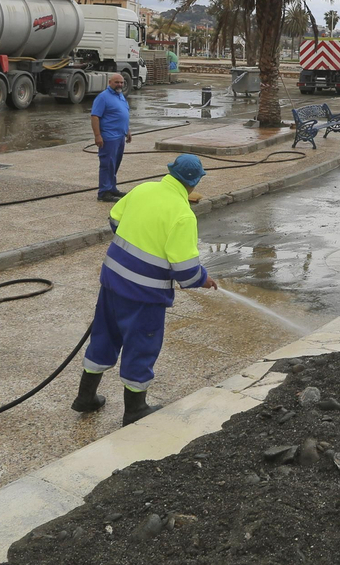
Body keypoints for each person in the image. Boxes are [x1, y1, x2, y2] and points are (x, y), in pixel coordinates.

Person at [73, 153, 217, 425]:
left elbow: (115, 219)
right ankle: (135, 409)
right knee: (141, 347)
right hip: (144, 294)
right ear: (194, 183)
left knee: (104, 336)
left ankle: (85, 397)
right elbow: (185, 269)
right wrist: (203, 279)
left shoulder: (144, 189)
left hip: (112, 281)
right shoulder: (183, 215)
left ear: (170, 171)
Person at [91, 72, 131, 202]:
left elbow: (123, 114)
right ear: (110, 83)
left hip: (119, 136)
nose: (119, 84)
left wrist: (127, 131)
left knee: (115, 164)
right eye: (116, 82)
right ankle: (104, 192)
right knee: (107, 164)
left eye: (121, 82)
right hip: (109, 137)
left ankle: (112, 188)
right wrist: (97, 135)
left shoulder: (120, 96)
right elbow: (95, 116)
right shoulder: (103, 97)